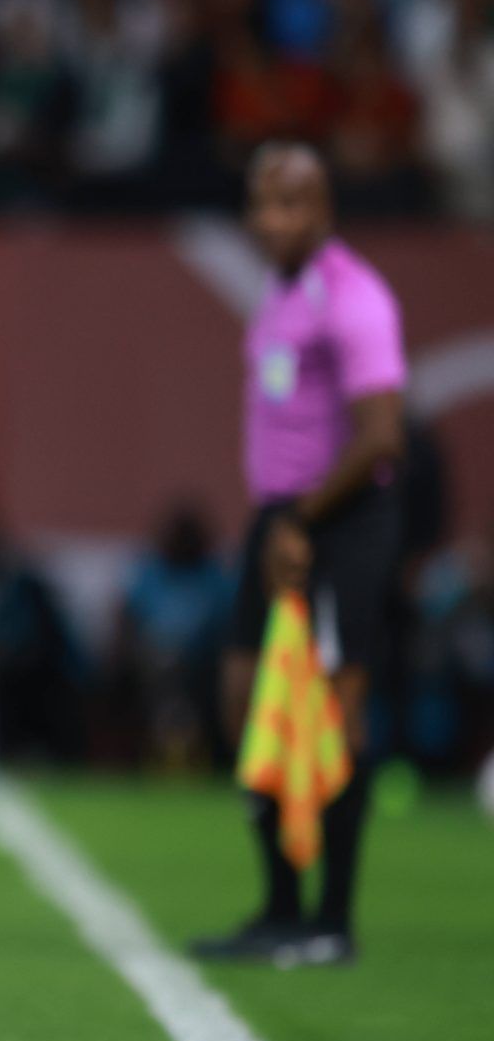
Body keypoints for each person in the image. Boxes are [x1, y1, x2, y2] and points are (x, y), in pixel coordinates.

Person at [193, 143, 406, 968]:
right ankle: (279, 909)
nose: (268, 220)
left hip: (340, 521)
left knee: (337, 712)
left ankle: (332, 924)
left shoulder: (354, 298)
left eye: (288, 203)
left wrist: (306, 520)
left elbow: (382, 436)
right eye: (259, 203)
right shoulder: (278, 294)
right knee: (245, 700)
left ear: (323, 209)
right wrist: (279, 518)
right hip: (277, 517)